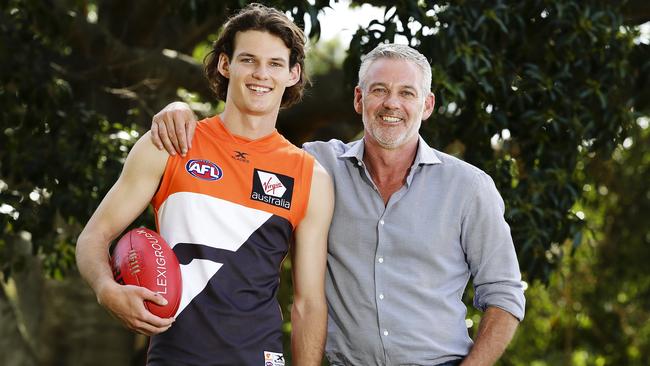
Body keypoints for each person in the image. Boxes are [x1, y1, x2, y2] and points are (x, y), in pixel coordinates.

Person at [151, 43, 526, 365]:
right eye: (378, 90)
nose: (391, 104)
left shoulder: (469, 187)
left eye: (407, 93)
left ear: (426, 105)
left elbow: (504, 295)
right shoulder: (314, 168)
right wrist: (180, 112)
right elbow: (248, 138)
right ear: (359, 99)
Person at [76, 4, 334, 366]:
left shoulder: (311, 176)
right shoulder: (169, 143)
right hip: (175, 356)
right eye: (248, 59)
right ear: (225, 65)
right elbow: (94, 236)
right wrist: (106, 290)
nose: (261, 74)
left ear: (293, 74)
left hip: (259, 356)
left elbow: (308, 303)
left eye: (275, 64)